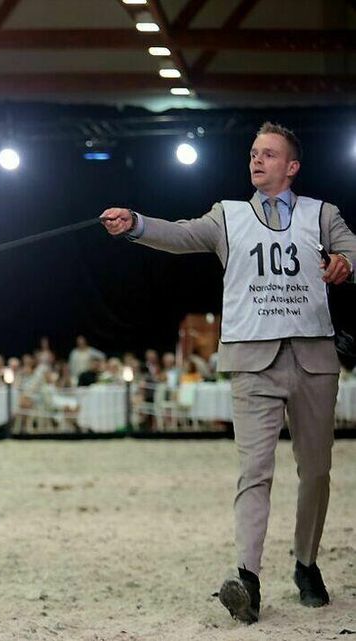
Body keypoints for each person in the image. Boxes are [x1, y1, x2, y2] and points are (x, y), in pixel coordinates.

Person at [100, 122, 355, 624]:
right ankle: (249, 579)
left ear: (292, 167)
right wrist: (135, 223)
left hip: (313, 360)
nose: (257, 160)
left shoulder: (321, 215)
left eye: (269, 154)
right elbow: (179, 234)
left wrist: (345, 261)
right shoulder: (227, 217)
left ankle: (306, 563)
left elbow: (353, 247)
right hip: (250, 362)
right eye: (254, 153)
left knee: (317, 472)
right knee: (254, 472)